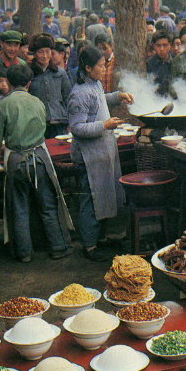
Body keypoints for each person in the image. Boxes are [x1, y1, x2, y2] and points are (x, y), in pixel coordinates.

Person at [0, 64, 74, 262]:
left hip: (16, 162)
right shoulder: (38, 103)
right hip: (40, 159)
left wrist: (4, 143)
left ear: (8, 82)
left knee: (20, 208)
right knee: (48, 206)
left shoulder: (2, 106)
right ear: (29, 83)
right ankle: (58, 247)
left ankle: (24, 253)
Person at [68, 47, 134, 261]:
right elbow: (77, 128)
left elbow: (100, 99)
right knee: (92, 199)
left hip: (103, 152)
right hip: (90, 157)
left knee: (105, 194)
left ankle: (100, 238)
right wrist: (104, 125)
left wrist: (118, 96)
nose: (104, 69)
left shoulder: (93, 84)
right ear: (88, 68)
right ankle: (88, 246)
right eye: (100, 65)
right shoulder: (78, 93)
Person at [28, 33, 71, 139]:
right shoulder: (28, 74)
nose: (45, 56)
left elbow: (69, 99)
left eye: (48, 51)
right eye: (40, 52)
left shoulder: (60, 73)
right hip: (37, 124)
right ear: (34, 53)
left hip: (59, 122)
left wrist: (70, 123)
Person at [146, 30, 172, 96]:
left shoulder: (175, 63)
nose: (161, 49)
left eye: (165, 45)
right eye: (158, 45)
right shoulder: (148, 64)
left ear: (170, 45)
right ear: (153, 45)